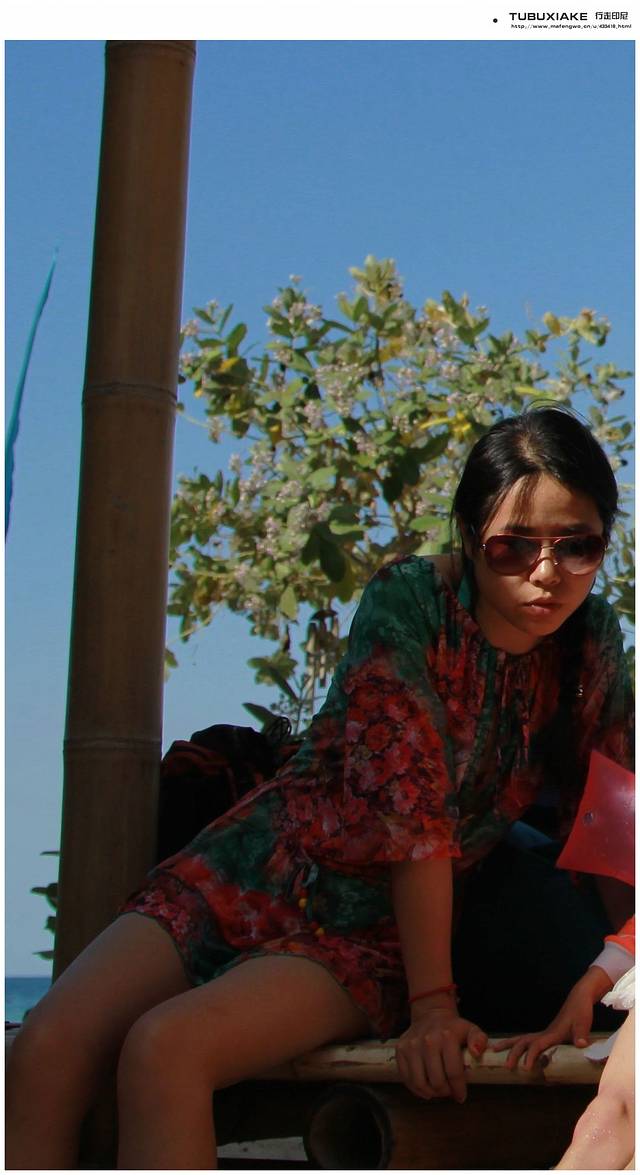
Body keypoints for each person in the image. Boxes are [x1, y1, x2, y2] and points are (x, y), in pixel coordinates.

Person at [6, 407, 634, 1170]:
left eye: (577, 545)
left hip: (376, 928)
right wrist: (435, 1009)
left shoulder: (591, 646)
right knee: (43, 1048)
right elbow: (410, 811)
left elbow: (610, 818)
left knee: (164, 1049)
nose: (546, 571)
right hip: (255, 862)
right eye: (515, 545)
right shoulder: (411, 603)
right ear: (471, 538)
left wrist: (622, 980)